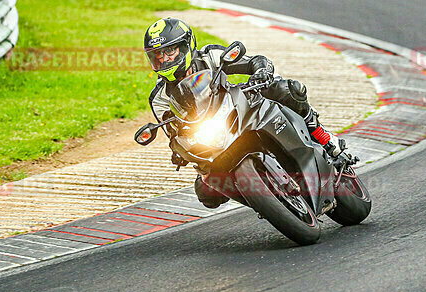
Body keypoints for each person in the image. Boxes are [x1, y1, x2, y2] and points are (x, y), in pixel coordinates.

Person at [143, 17, 352, 208]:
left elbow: (255, 61)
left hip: (238, 105)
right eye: (158, 56)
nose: (164, 60)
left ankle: (325, 140)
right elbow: (173, 133)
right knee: (206, 192)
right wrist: (179, 151)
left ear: (186, 46)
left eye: (170, 52)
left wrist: (261, 72)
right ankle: (265, 199)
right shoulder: (159, 98)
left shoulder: (209, 56)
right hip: (211, 134)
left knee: (287, 90)